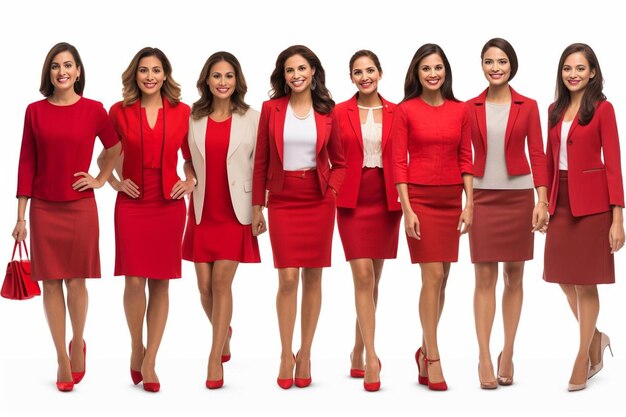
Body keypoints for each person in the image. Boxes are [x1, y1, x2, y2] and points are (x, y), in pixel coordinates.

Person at [13, 42, 121, 392]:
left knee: (77, 281)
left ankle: (77, 341)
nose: (62, 71)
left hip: (80, 206)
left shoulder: (94, 110)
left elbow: (116, 147)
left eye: (68, 65)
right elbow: (26, 163)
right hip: (44, 207)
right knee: (51, 283)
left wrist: (102, 179)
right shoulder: (35, 111)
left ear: (78, 72)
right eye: (56, 66)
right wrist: (21, 217)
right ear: (49, 73)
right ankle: (61, 355)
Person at [252, 44, 346, 389]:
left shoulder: (328, 111)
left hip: (318, 200)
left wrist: (332, 193)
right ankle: (284, 351)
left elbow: (342, 162)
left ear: (313, 72)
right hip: (282, 199)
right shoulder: (271, 109)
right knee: (287, 278)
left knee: (314, 279)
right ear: (283, 75)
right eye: (290, 70)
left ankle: (305, 353)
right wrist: (257, 207)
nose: (296, 75)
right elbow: (261, 160)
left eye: (302, 69)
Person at [103, 47, 193, 393]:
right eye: (144, 70)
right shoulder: (119, 111)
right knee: (133, 280)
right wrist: (112, 182)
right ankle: (136, 346)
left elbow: (189, 157)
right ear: (135, 75)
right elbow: (104, 154)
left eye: (157, 70)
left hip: (168, 204)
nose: (150, 76)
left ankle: (151, 359)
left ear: (166, 74)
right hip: (132, 203)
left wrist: (190, 180)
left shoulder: (183, 111)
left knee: (161, 282)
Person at [466, 38, 549, 389]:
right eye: (489, 61)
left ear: (512, 65)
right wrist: (467, 200)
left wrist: (541, 200)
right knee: (484, 280)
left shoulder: (527, 106)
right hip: (483, 198)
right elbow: (462, 156)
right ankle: (484, 356)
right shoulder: (469, 107)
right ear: (482, 66)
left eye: (501, 61)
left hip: (518, 199)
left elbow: (539, 154)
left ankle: (508, 352)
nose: (495, 67)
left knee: (514, 279)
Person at [392, 43, 473, 391]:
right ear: (416, 73)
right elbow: (398, 161)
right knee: (433, 275)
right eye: (426, 68)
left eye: (438, 67)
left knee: (443, 280)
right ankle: (435, 356)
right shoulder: (405, 110)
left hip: (451, 200)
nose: (433, 73)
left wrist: (470, 203)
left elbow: (465, 155)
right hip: (421, 200)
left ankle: (424, 349)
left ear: (446, 71)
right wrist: (407, 208)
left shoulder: (461, 110)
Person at [543, 43, 624, 392]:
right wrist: (542, 202)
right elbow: (548, 160)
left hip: (593, 206)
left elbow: (614, 164)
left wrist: (617, 218)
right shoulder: (554, 109)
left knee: (585, 282)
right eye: (567, 68)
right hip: (559, 201)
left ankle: (582, 355)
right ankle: (596, 338)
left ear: (592, 72)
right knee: (563, 279)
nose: (573, 74)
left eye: (580, 68)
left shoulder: (603, 110)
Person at [182, 51, 261, 389]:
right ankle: (223, 330)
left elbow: (261, 167)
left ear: (237, 81)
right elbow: (187, 158)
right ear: (207, 81)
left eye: (229, 76)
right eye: (217, 76)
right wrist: (188, 178)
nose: (223, 82)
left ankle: (215, 358)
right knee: (203, 287)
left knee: (220, 283)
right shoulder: (193, 117)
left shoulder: (252, 118)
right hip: (202, 210)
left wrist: (260, 208)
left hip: (235, 212)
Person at [334, 50, 401, 392]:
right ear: (351, 78)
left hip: (386, 200)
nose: (364, 77)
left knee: (373, 280)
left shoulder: (396, 111)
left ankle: (359, 347)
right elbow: (326, 153)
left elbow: (406, 154)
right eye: (357, 72)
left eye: (370, 70)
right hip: (351, 200)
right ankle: (373, 357)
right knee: (361, 275)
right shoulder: (338, 112)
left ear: (380, 72)